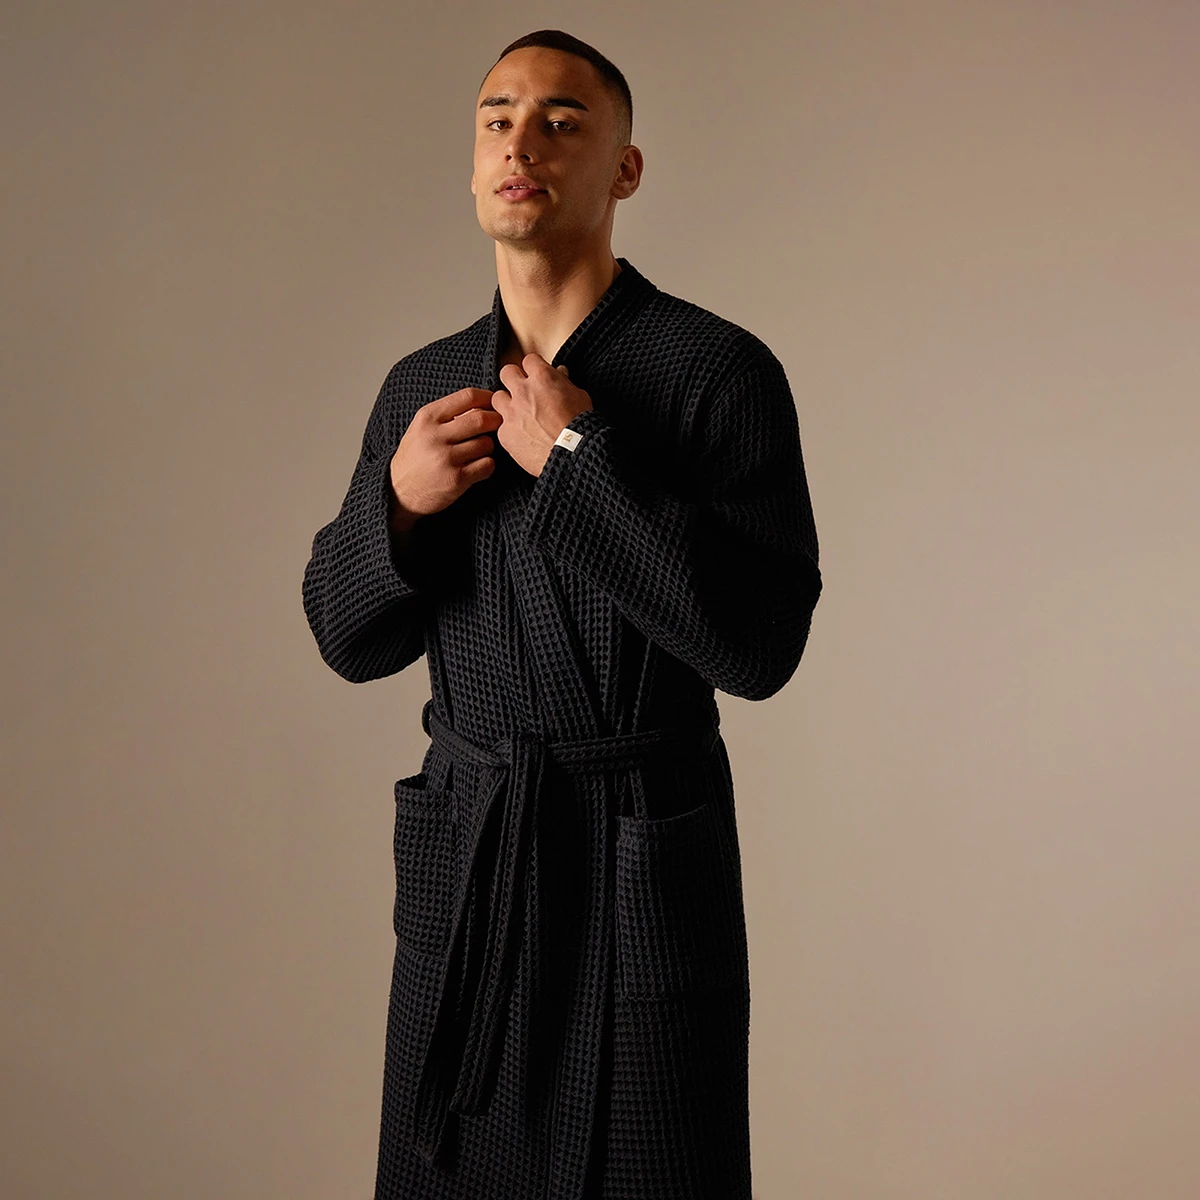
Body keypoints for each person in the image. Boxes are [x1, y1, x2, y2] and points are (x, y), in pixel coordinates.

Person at [301, 28, 822, 1200]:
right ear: (471, 165)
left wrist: (579, 460)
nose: (520, 142)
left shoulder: (718, 372)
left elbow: (760, 645)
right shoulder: (421, 389)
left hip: (638, 862)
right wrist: (398, 506)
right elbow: (344, 637)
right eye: (497, 118)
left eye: (561, 120)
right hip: (475, 861)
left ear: (624, 169)